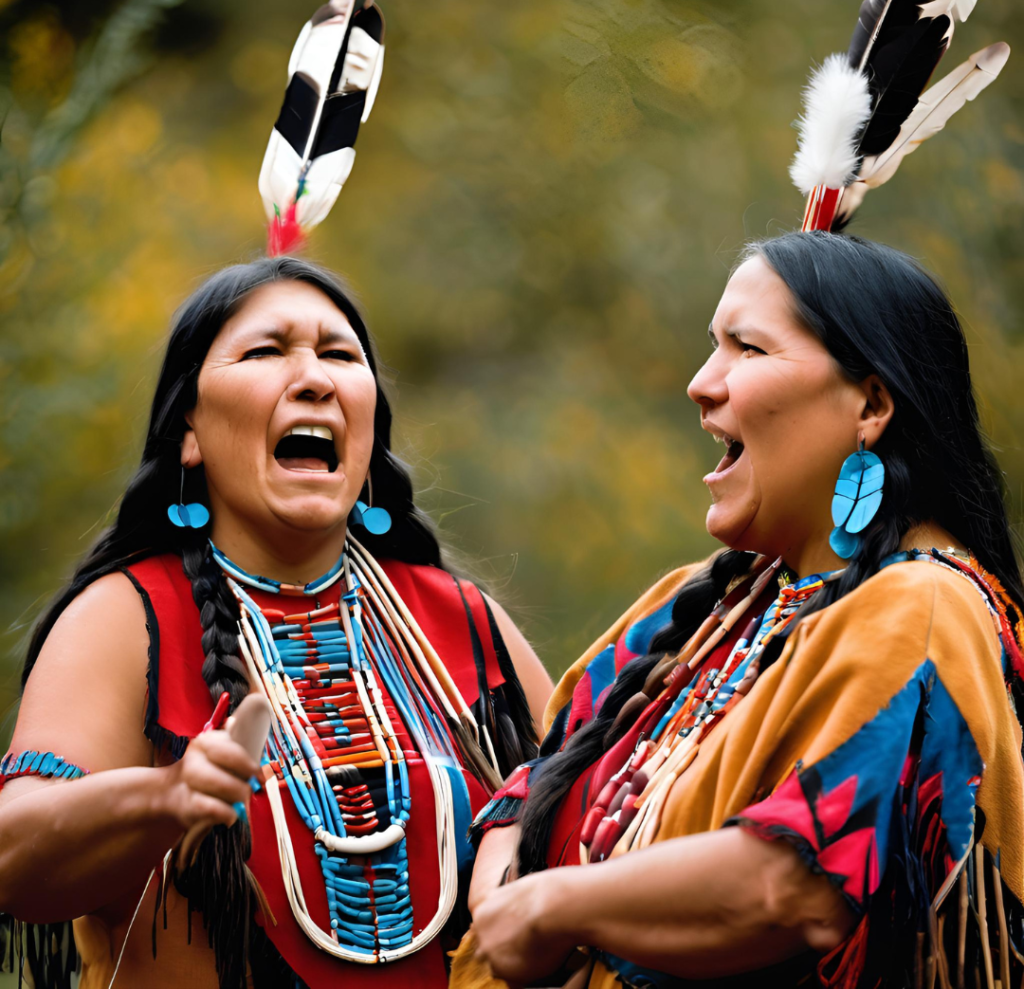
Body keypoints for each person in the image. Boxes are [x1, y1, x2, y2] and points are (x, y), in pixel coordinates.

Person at [455, 230, 1024, 989]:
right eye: (711, 346)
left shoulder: (924, 609)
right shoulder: (697, 610)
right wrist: (509, 898)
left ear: (872, 404)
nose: (700, 382)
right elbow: (530, 788)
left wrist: (553, 906)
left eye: (747, 349)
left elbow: (793, 885)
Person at [0, 256, 553, 989]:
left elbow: (588, 818)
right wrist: (165, 799)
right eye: (265, 351)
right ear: (188, 431)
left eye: (339, 354)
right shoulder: (124, 618)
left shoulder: (460, 619)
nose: (316, 379)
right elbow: (12, 863)